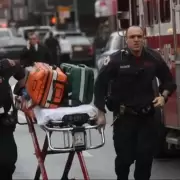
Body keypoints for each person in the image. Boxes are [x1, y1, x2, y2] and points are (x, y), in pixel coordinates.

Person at [94, 26, 177, 180]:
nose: (136, 40)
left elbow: (168, 81)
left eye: (139, 36)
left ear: (144, 38)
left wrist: (163, 96)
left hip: (147, 118)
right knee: (124, 160)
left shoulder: (153, 58)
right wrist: (101, 113)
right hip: (124, 119)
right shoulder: (115, 60)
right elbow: (100, 85)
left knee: (145, 161)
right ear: (126, 40)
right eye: (132, 37)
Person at [0, 59, 25, 180]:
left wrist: (23, 91)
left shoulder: (4, 66)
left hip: (3, 121)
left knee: (7, 160)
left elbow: (20, 71)